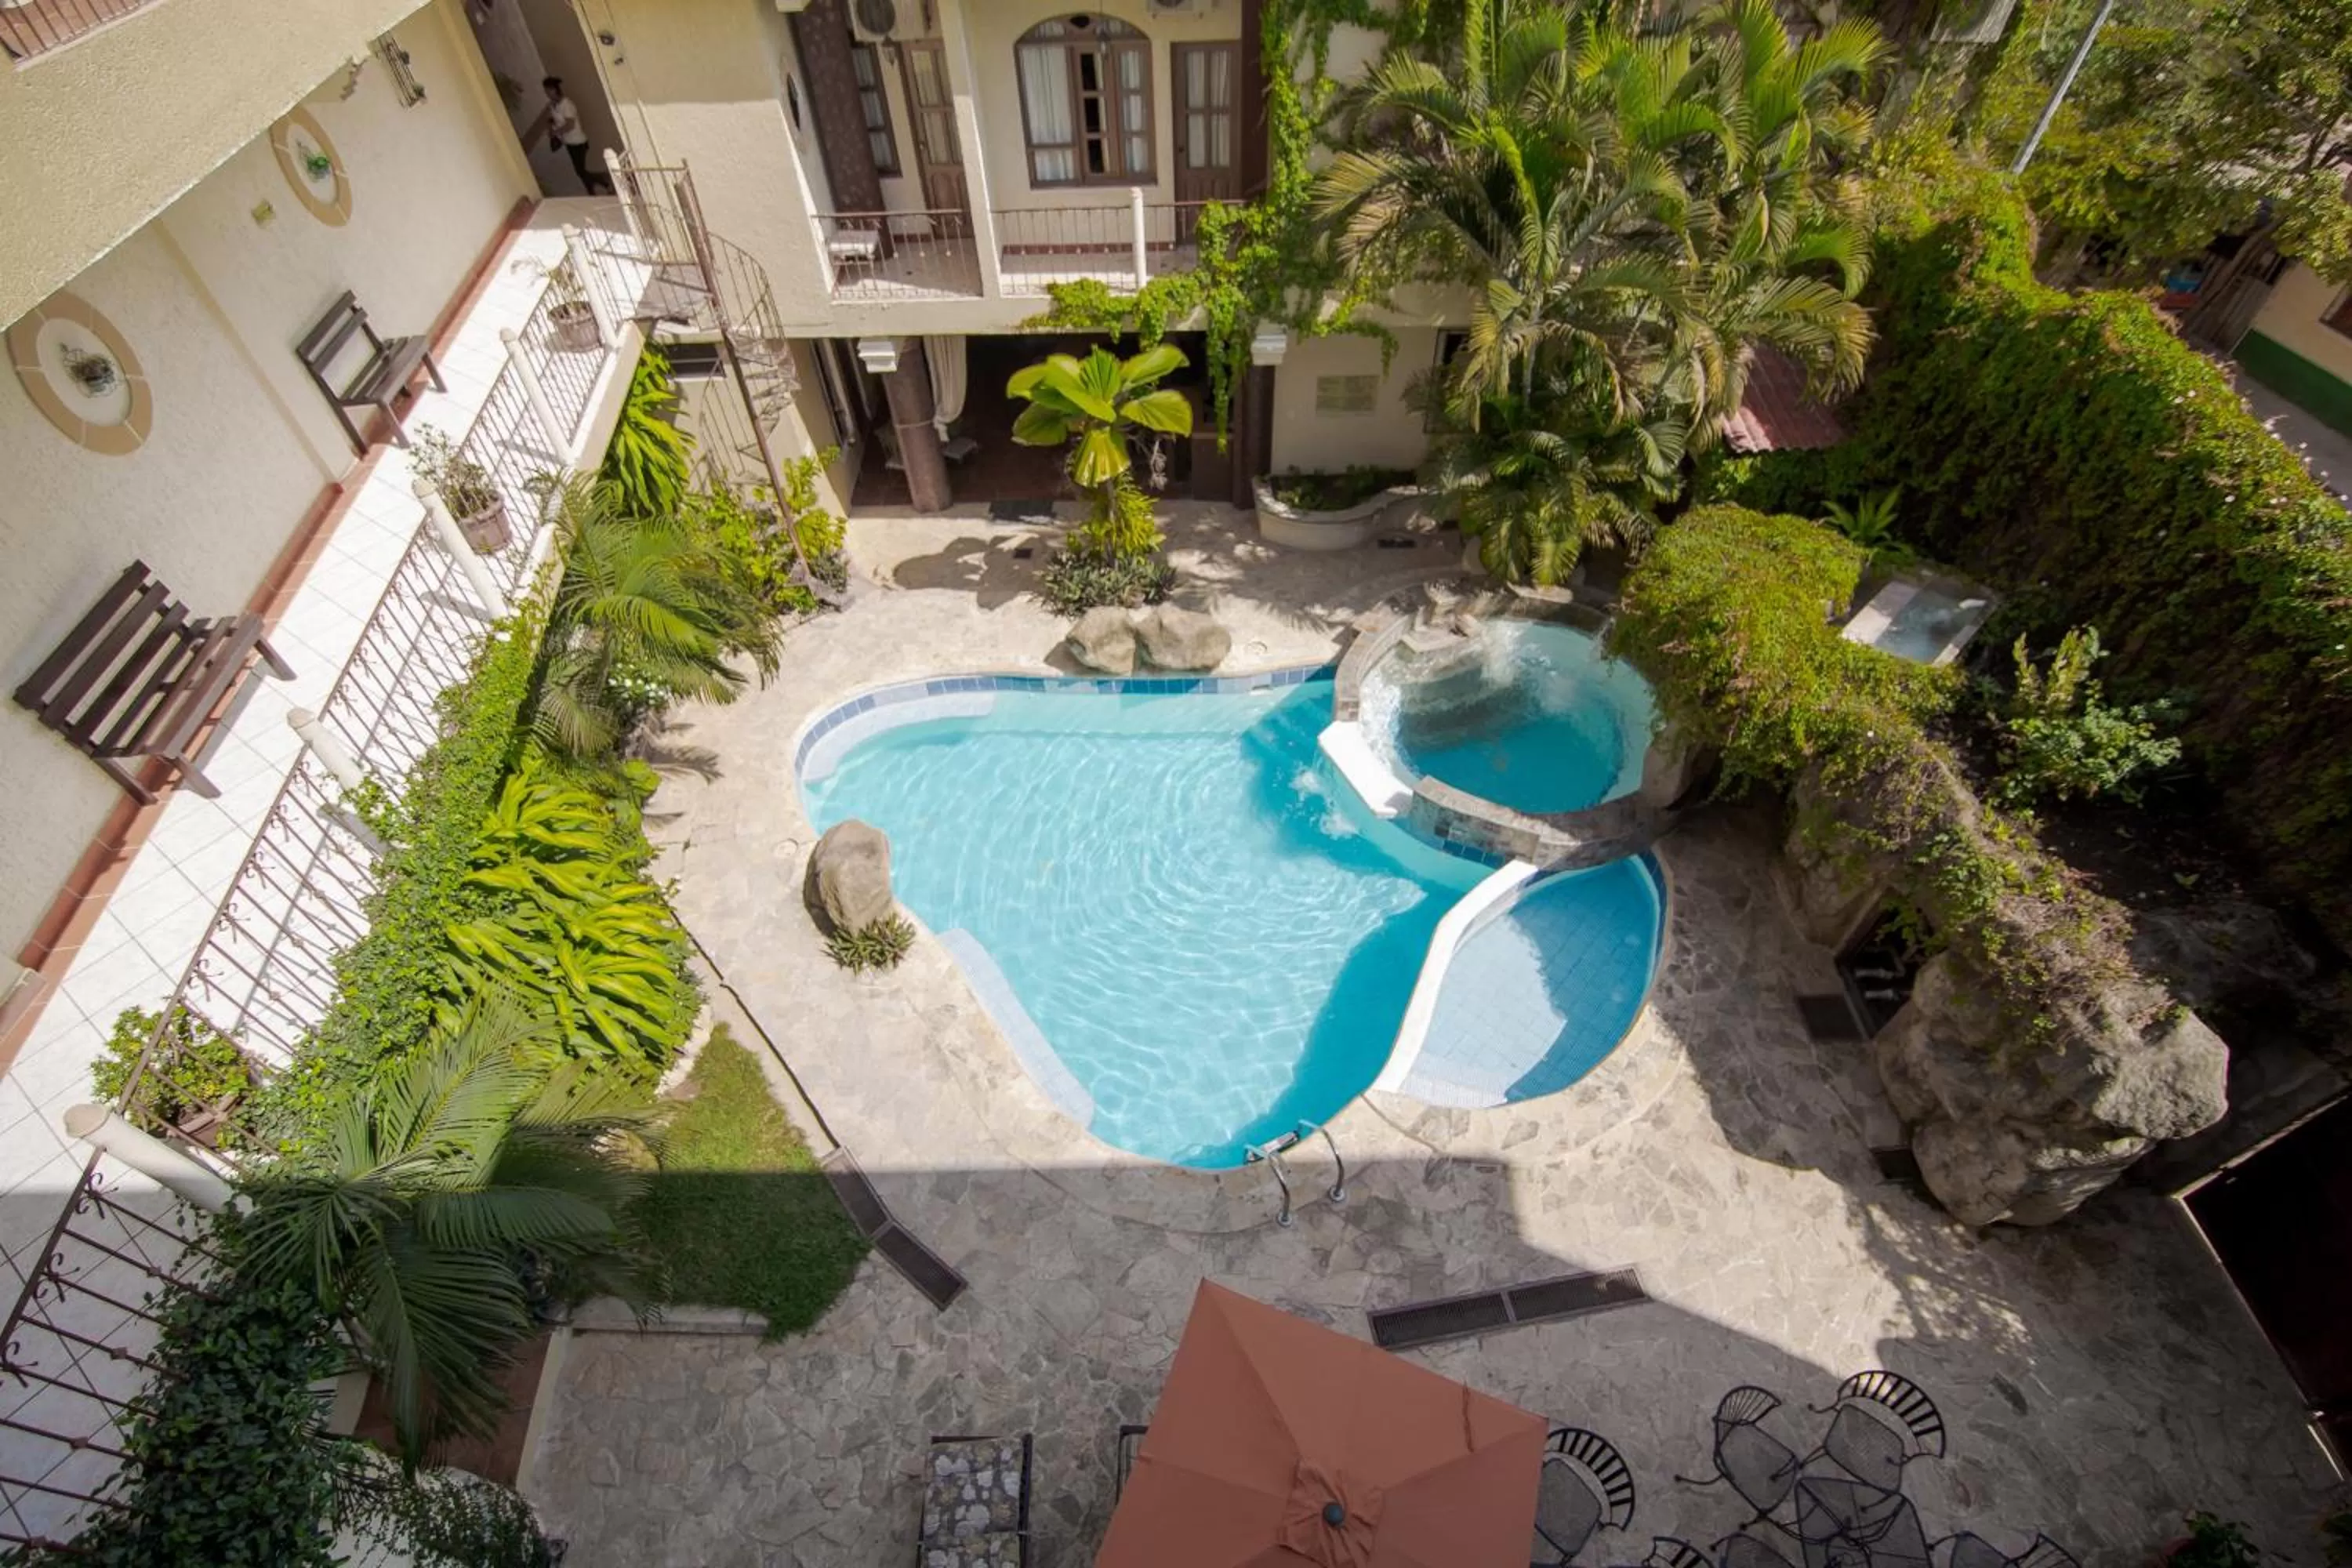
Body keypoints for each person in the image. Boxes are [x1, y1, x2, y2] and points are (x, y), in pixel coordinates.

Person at [531, 77, 612, 194]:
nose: (547, 94)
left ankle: (603, 180)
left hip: (578, 142)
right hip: (569, 143)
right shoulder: (554, 106)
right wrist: (551, 127)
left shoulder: (566, 104)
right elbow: (553, 120)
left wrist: (556, 132)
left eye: (548, 91)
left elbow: (570, 125)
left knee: (581, 171)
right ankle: (592, 192)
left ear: (554, 90)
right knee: (580, 172)